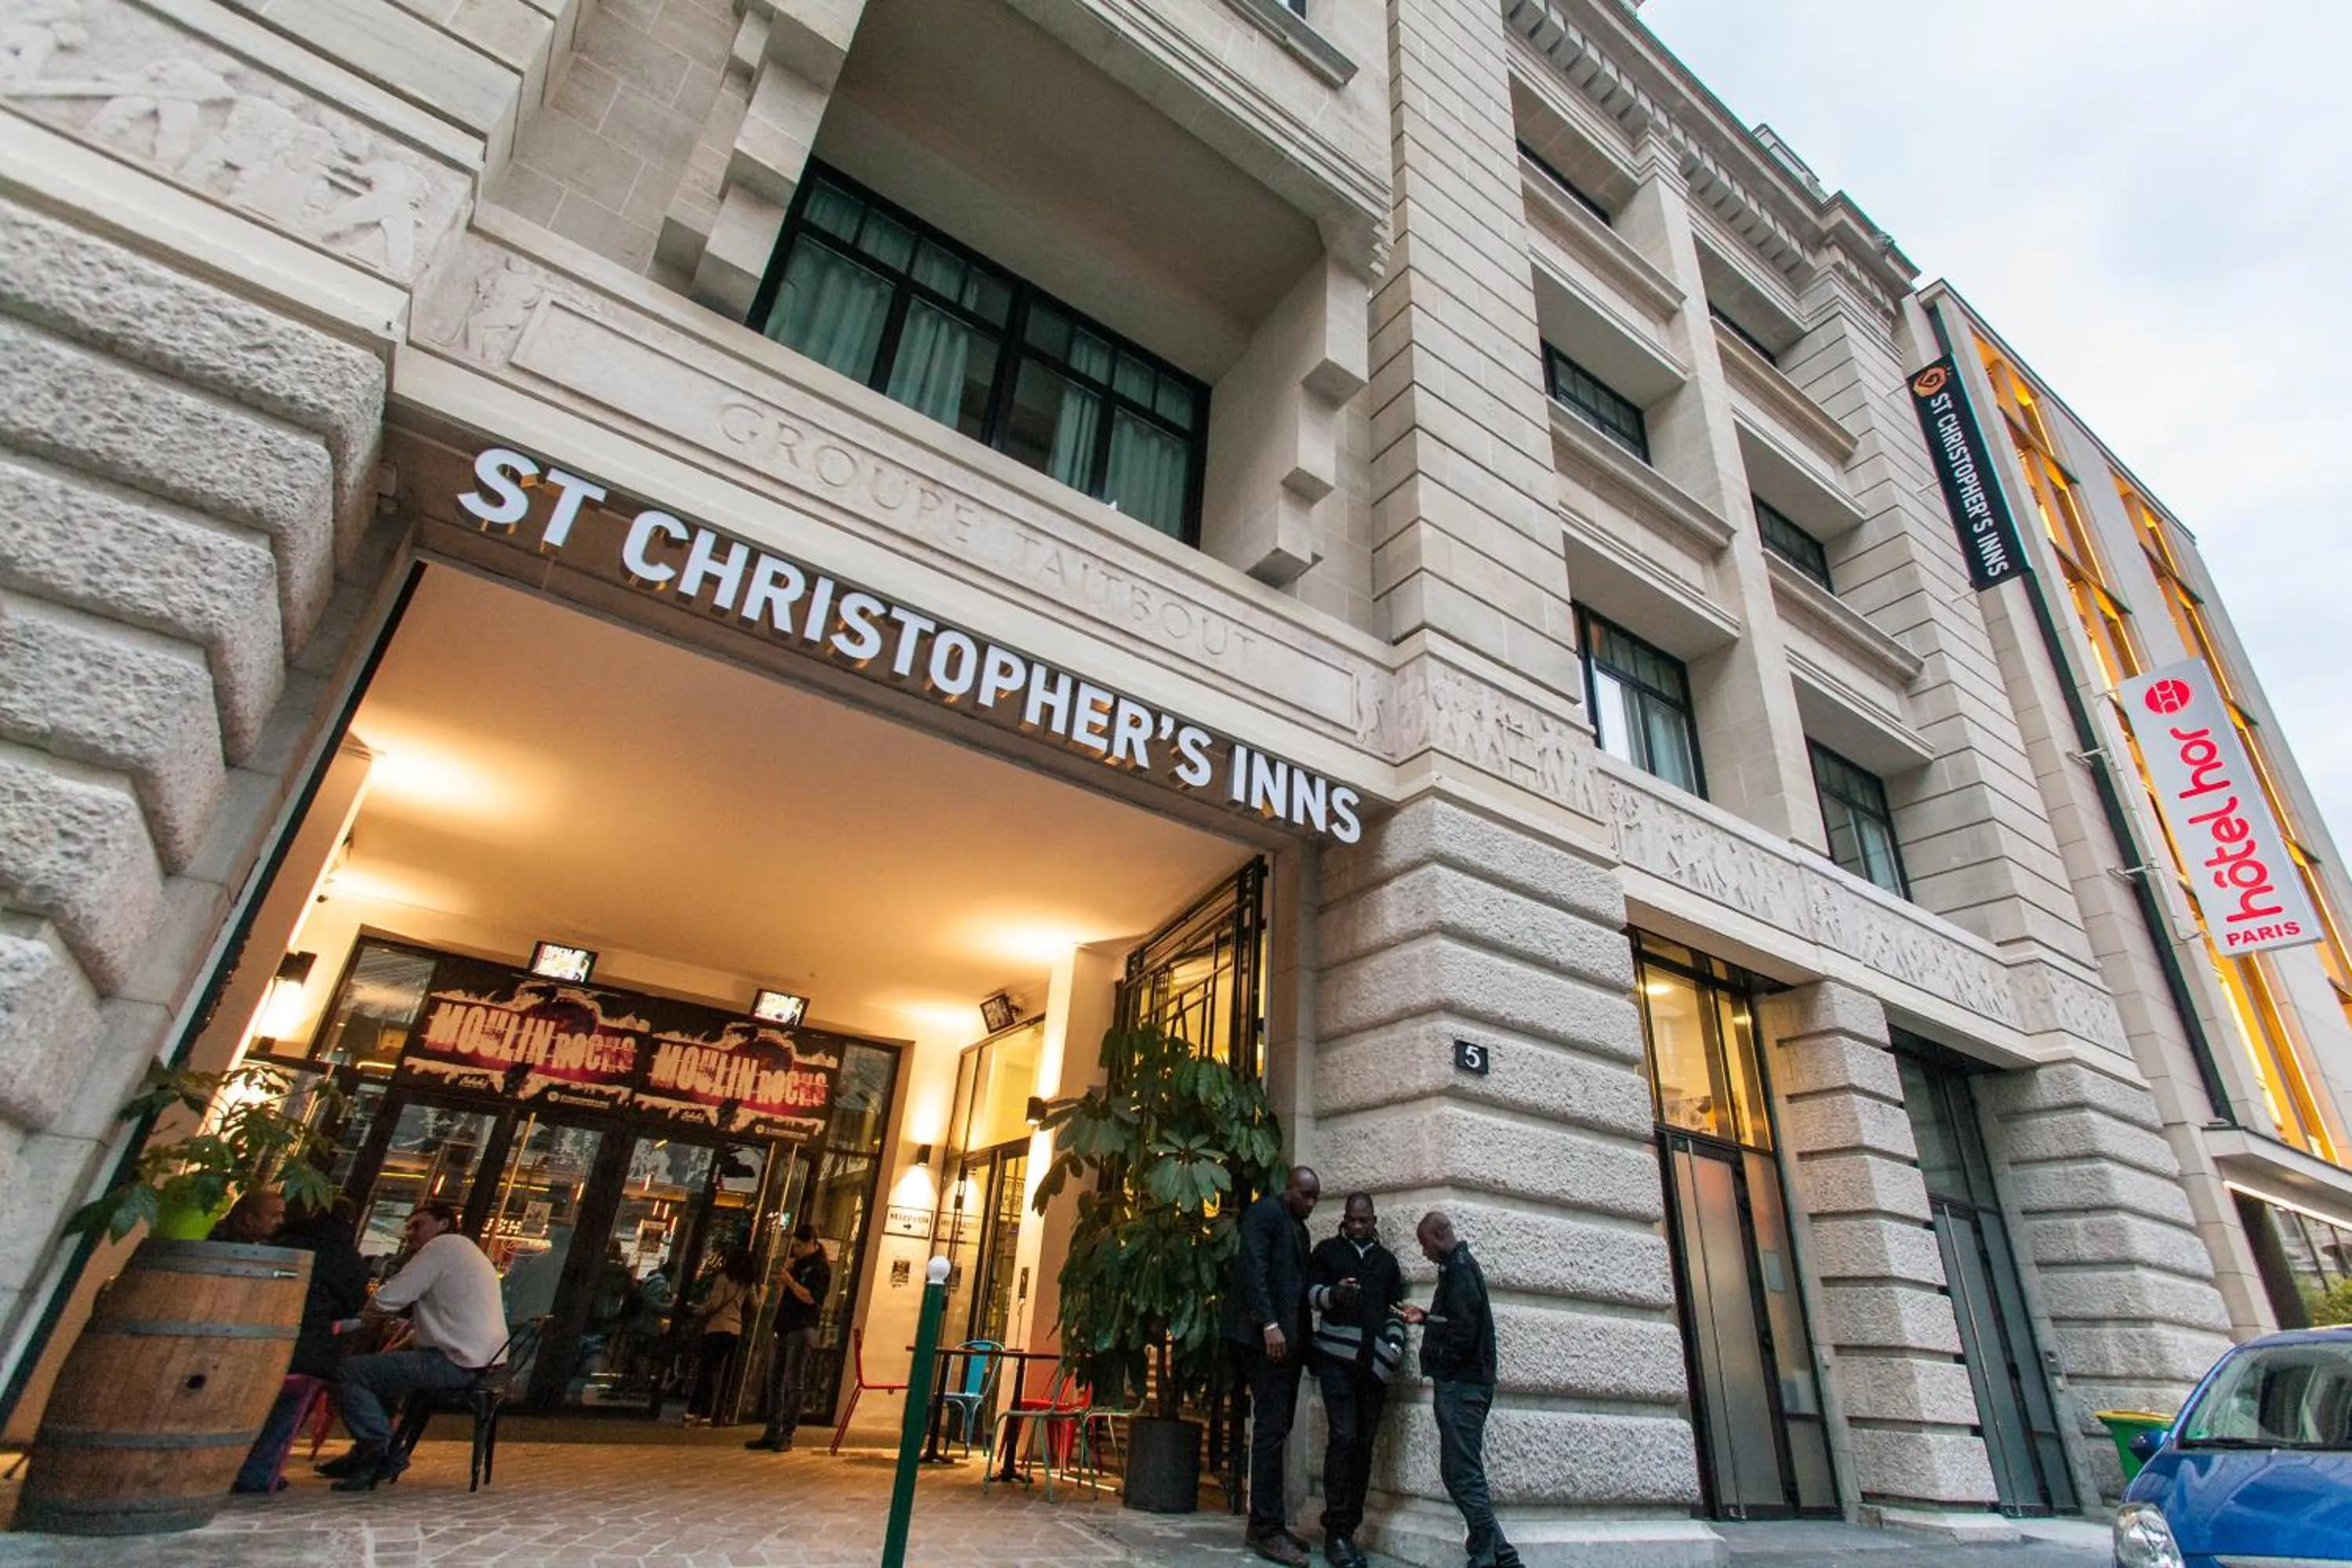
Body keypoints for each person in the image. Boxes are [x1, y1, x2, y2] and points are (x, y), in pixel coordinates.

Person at [317, 1201, 510, 1493]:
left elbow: (389, 1298)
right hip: (480, 1362)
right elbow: (435, 1323)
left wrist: (354, 1320)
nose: (410, 1233)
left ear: (444, 1224)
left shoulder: (443, 1248)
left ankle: (379, 1451)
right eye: (408, 1227)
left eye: (418, 1225)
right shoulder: (466, 1251)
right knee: (379, 1375)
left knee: (346, 1372)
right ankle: (370, 1451)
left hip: (454, 1362)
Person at [1396, 1211, 1520, 1568]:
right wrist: (1425, 1316)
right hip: (1465, 1384)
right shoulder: (1458, 1268)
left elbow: (1463, 1334)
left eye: (1424, 1244)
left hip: (1462, 1386)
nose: (1424, 1253)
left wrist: (1443, 1368)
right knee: (1460, 1472)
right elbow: (1458, 1322)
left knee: (1462, 1473)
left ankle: (1486, 1555)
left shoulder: (1460, 1270)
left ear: (1438, 1236)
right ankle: (1502, 1556)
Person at [232, 1196, 369, 1494]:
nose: (278, 1220)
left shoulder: (284, 1241)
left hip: (251, 1339)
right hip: (305, 1350)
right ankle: (259, 1468)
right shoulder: (344, 1256)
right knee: (311, 1382)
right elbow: (355, 1303)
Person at [1222, 1164, 1320, 1567]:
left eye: (1316, 1197)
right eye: (1306, 1195)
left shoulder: (1299, 1227)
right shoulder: (1265, 1214)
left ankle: (1268, 1524)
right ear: (1289, 1189)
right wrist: (1270, 1324)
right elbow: (1253, 1270)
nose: (1311, 1203)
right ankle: (1265, 1529)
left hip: (1287, 1346)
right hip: (1264, 1342)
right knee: (1269, 1430)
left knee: (1277, 1429)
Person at [1307, 1194, 1405, 1568]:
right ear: (1344, 1220)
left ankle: (1349, 1530)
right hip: (1336, 1360)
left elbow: (1395, 1308)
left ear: (1374, 1221)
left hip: (1375, 1366)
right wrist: (1334, 1294)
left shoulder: (1387, 1262)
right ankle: (1335, 1532)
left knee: (1363, 1446)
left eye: (1365, 1221)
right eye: (1353, 1220)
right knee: (1344, 1438)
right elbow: (1310, 1294)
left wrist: (1395, 1343)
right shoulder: (1328, 1252)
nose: (1359, 1226)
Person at [745, 1223, 830, 1451]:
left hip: (802, 1328)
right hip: (784, 1326)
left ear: (812, 1243)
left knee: (794, 1381)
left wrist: (791, 1282)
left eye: (800, 1246)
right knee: (774, 1379)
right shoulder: (796, 1265)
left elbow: (811, 1298)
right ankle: (772, 1429)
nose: (796, 1249)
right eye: (794, 1245)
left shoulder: (820, 1268)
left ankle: (788, 1433)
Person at [684, 1249, 759, 1425]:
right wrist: (762, 1295)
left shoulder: (723, 1279)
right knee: (721, 1374)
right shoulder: (747, 1284)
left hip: (717, 1327)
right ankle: (715, 1412)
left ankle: (700, 1412)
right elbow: (755, 1305)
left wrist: (697, 1310)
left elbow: (714, 1303)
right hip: (735, 1331)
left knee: (706, 1371)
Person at [212, 1187, 285, 1243]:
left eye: (281, 1215)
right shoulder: (219, 1241)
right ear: (249, 1220)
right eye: (274, 1215)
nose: (281, 1221)